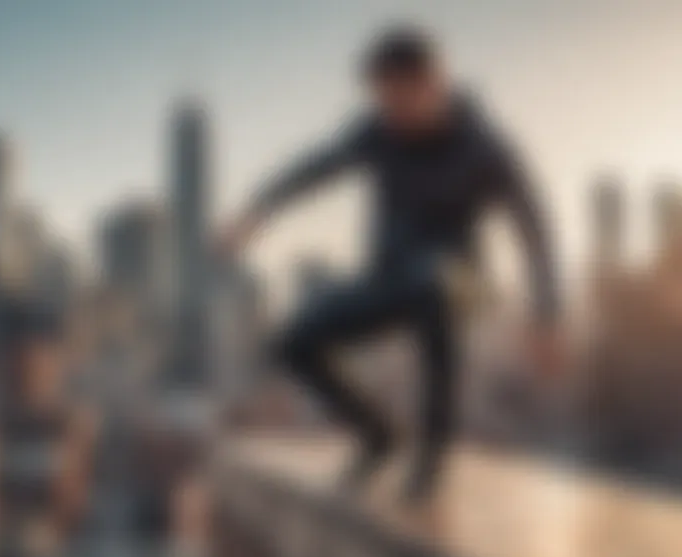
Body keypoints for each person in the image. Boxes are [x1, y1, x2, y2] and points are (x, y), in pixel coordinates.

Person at [217, 26, 563, 503]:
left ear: (434, 84)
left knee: (433, 287)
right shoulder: (376, 132)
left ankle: (432, 456)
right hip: (389, 277)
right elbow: (315, 166)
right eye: (382, 101)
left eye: (401, 99)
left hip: (466, 284)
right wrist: (257, 210)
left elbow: (534, 225)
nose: (391, 114)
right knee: (293, 342)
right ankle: (378, 435)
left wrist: (547, 313)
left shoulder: (484, 145)